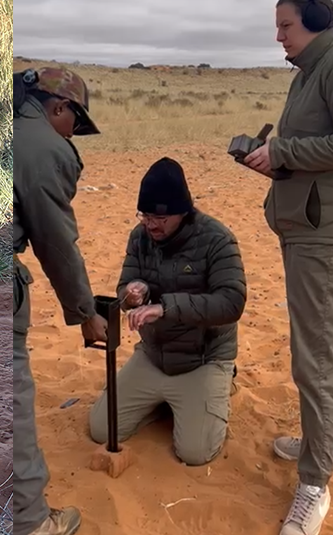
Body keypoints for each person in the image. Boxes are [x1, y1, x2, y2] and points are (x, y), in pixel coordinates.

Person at [241, 0, 333, 535]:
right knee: (326, 345)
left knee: (315, 358)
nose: (277, 36)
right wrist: (271, 160)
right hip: (306, 224)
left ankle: (314, 483)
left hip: (326, 233)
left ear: (318, 20)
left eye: (286, 26)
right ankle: (332, 441)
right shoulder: (310, 71)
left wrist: (285, 151)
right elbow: (313, 150)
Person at [87, 157, 247, 466]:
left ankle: (220, 384)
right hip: (154, 354)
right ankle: (169, 401)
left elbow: (231, 302)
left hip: (202, 360)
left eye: (160, 217)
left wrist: (166, 307)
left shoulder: (217, 239)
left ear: (183, 212)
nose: (151, 224)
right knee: (101, 429)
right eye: (145, 215)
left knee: (194, 453)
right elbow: (125, 285)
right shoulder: (140, 236)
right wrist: (133, 292)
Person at [13, 66, 107, 535]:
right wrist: (86, 314)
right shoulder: (44, 148)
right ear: (58, 107)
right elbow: (55, 243)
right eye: (75, 123)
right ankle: (31, 522)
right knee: (13, 397)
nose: (74, 135)